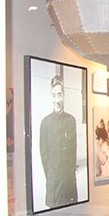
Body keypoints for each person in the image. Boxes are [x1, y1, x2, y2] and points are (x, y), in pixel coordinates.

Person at [39, 75, 78, 208]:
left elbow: (73, 152)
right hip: (54, 183)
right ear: (51, 97)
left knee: (72, 213)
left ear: (64, 96)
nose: (57, 100)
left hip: (68, 183)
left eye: (59, 95)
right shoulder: (45, 123)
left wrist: (69, 176)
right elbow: (44, 155)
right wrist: (51, 177)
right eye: (54, 95)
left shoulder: (71, 121)